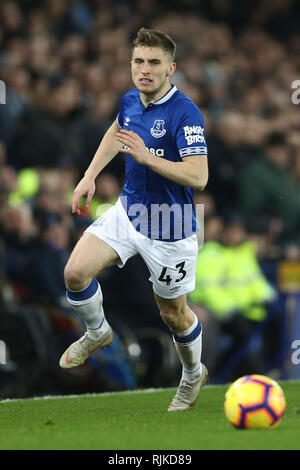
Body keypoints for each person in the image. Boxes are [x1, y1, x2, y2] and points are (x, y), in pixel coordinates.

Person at [59, 28, 209, 411]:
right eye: (139, 61)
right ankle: (98, 333)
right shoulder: (130, 100)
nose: (145, 69)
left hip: (170, 226)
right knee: (75, 274)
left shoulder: (185, 113)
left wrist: (147, 159)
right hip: (130, 211)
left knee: (173, 314)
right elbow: (117, 132)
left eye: (154, 63)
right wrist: (90, 175)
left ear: (170, 68)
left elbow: (199, 176)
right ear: (131, 64)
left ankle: (192, 374)